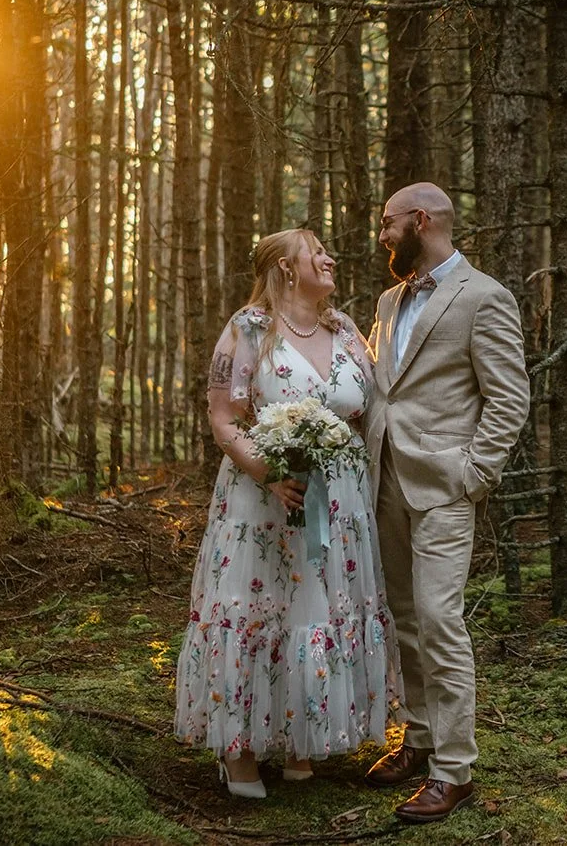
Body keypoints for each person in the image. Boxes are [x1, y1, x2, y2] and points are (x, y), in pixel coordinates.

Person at [174, 228, 401, 799]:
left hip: (341, 501)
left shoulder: (346, 329)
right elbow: (225, 419)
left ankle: (302, 737)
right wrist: (272, 475)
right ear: (282, 266)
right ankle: (240, 749)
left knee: (320, 609)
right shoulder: (248, 329)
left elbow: (370, 410)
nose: (329, 257)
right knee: (260, 610)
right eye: (315, 250)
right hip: (263, 501)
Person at [362, 182, 531, 823]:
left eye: (387, 222)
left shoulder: (484, 298)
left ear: (421, 220)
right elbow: (388, 388)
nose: (381, 234)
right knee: (405, 618)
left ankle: (454, 770)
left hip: (443, 488)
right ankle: (421, 739)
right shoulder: (387, 299)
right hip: (386, 482)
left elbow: (508, 397)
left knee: (439, 619)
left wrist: (473, 474)